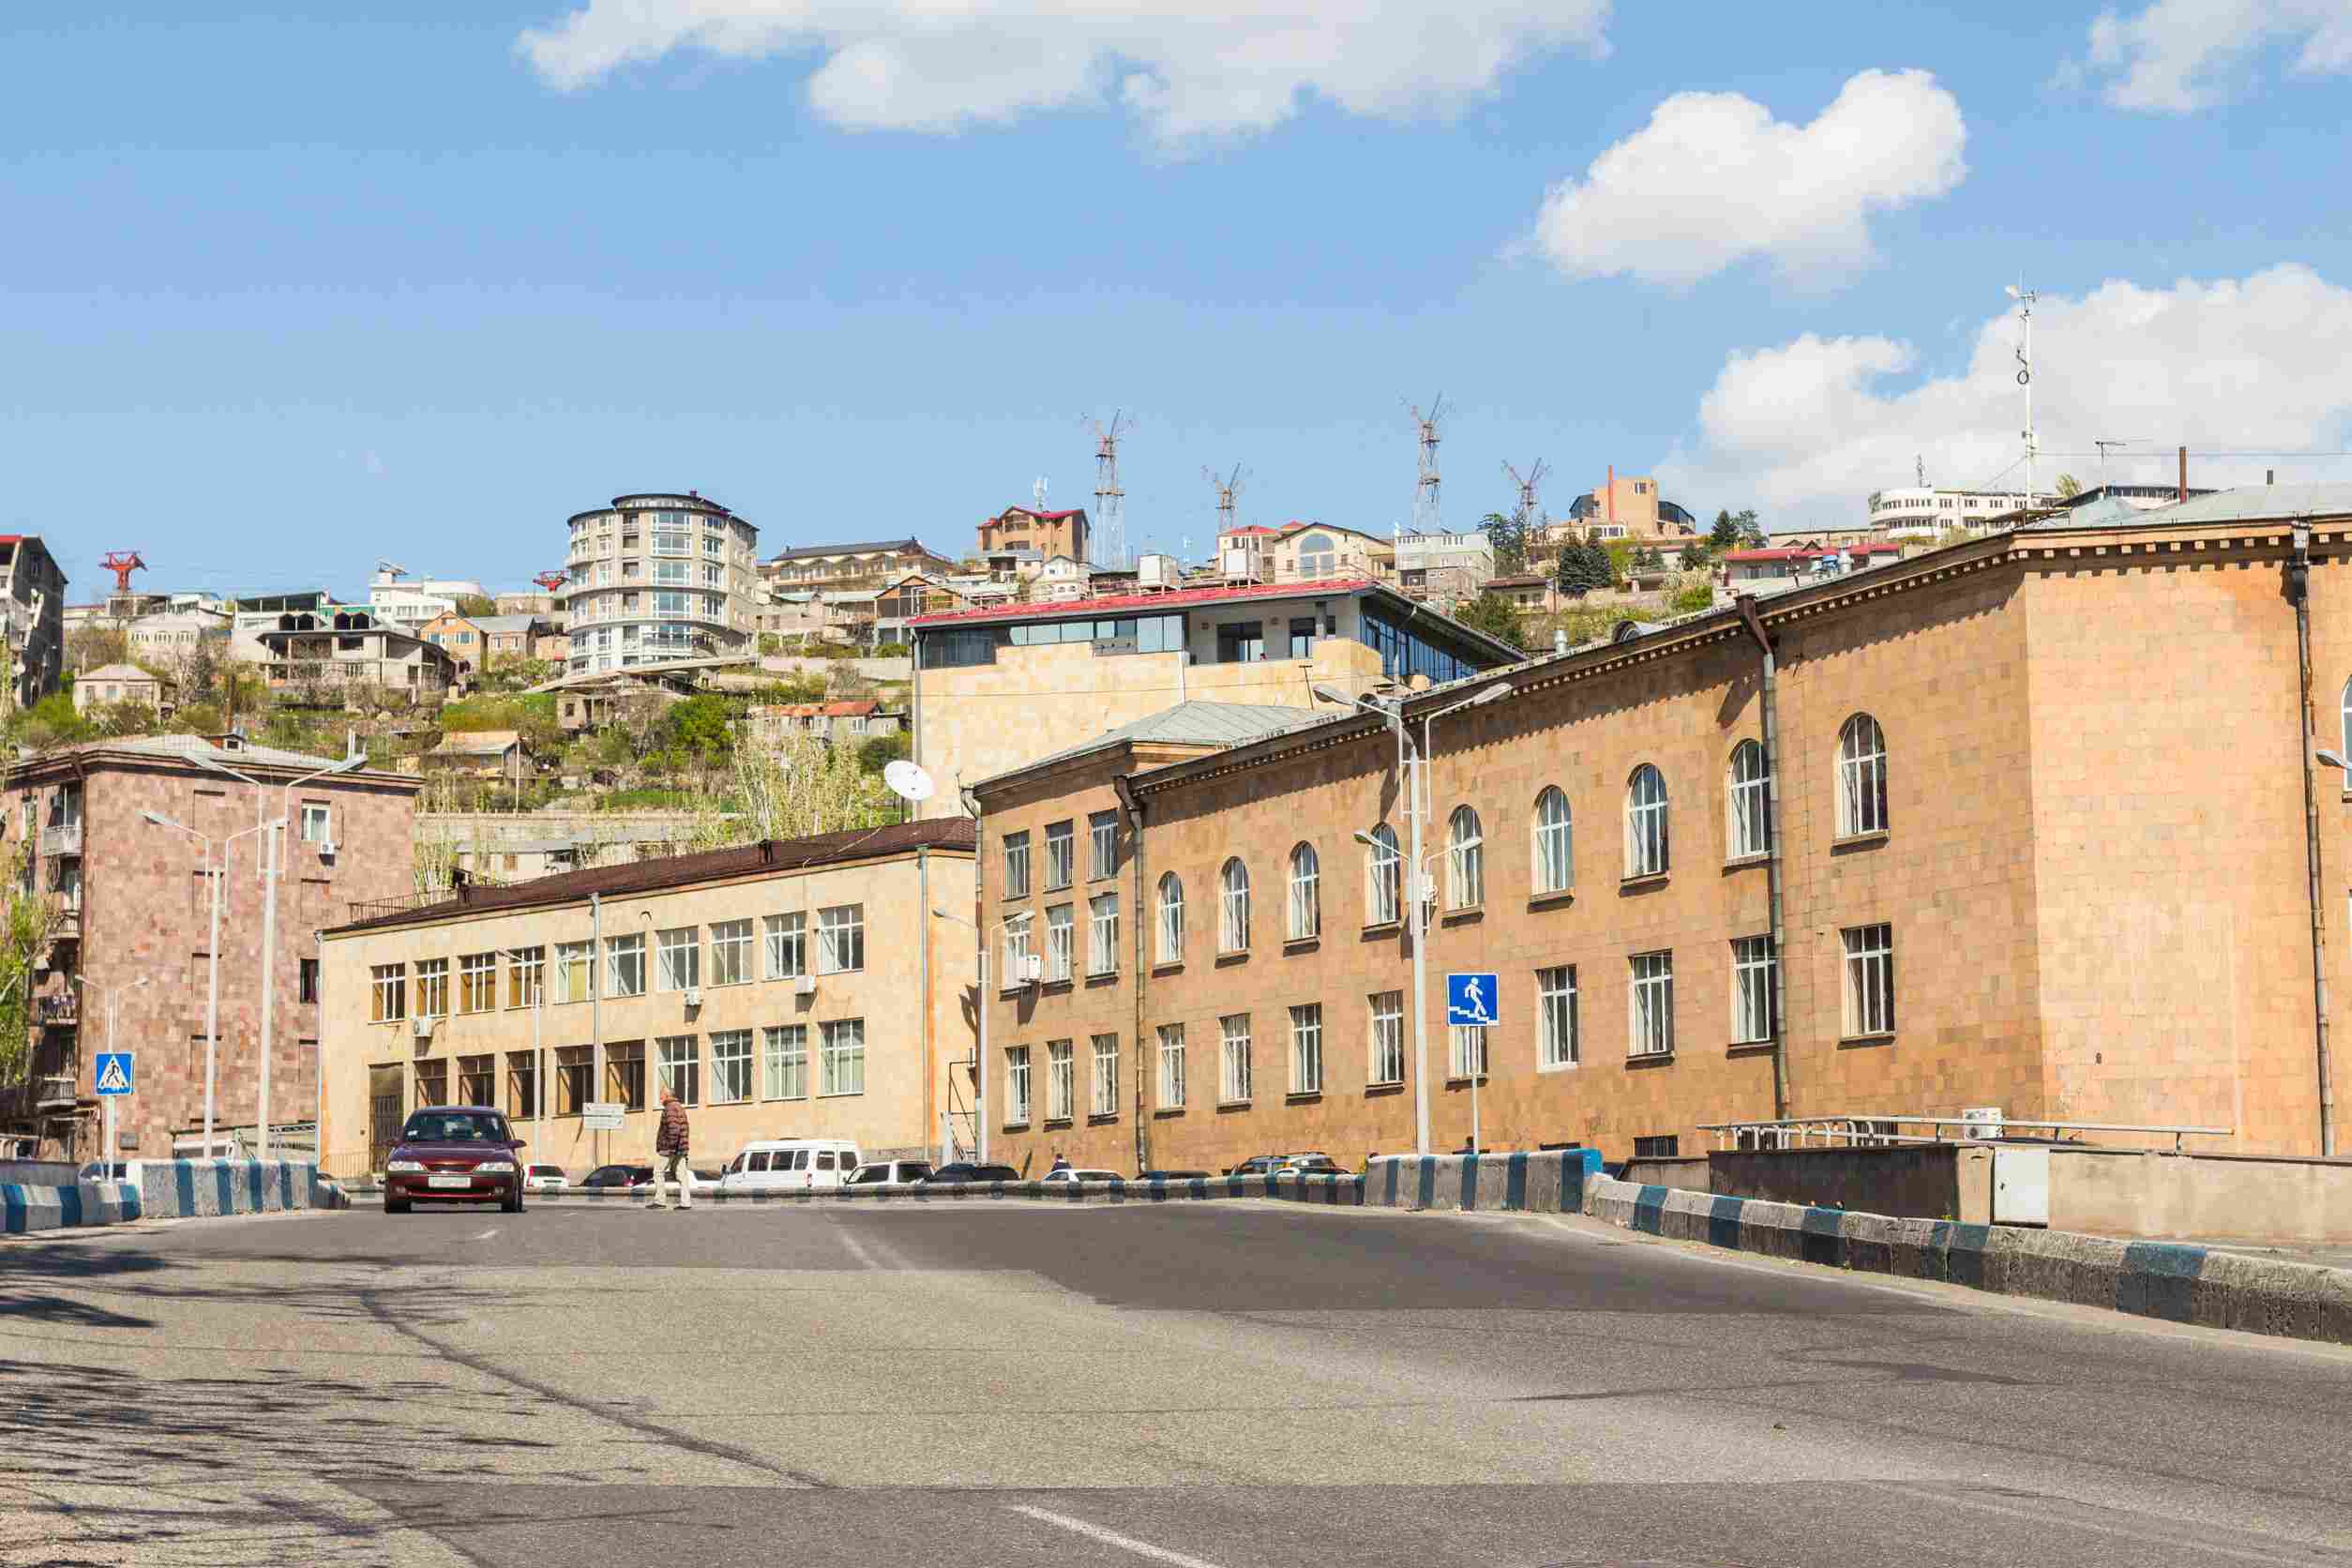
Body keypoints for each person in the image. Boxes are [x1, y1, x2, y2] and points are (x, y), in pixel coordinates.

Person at [649, 1087, 692, 1210]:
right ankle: (686, 1202)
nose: (660, 1097)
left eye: (661, 1095)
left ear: (667, 1095)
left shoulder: (670, 1108)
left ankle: (660, 1200)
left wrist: (671, 1147)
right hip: (681, 1148)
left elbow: (674, 1128)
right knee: (682, 1175)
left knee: (658, 1172)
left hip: (669, 1148)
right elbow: (684, 1129)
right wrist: (682, 1148)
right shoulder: (679, 1107)